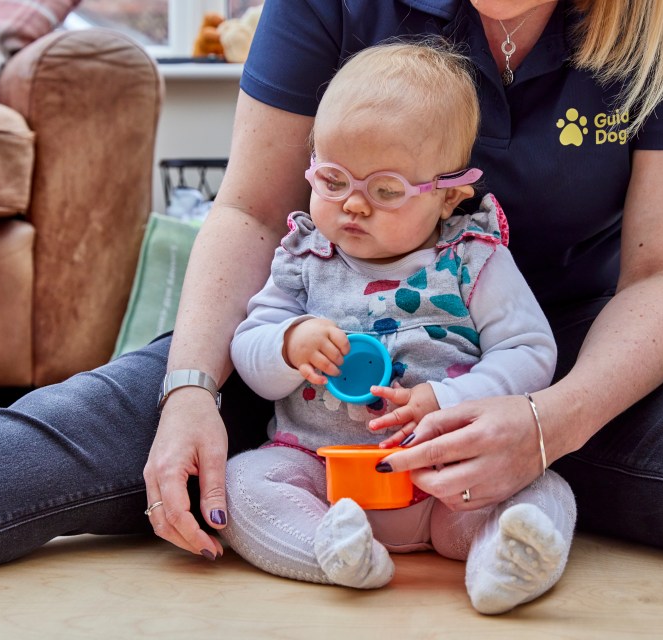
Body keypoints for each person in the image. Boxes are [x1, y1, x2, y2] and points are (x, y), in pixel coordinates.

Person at [0, 0, 663, 616]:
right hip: (307, 344)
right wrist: (189, 391)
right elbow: (252, 208)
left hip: (589, 365)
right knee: (51, 438)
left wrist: (548, 423)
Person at [221, 41, 574, 614]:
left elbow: (530, 351)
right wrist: (287, 345)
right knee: (243, 483)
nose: (352, 206)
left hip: (448, 477)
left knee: (539, 486)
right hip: (321, 472)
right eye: (333, 180)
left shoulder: (472, 259)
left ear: (448, 198)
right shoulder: (305, 259)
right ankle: (333, 551)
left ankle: (504, 562)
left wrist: (449, 397)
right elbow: (250, 356)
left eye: (384, 190)